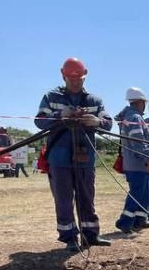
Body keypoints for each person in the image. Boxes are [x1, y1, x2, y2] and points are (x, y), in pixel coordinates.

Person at [35, 57, 113, 252]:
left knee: (87, 197)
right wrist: (60, 116)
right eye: (71, 79)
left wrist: (97, 122)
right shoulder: (51, 97)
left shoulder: (94, 101)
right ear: (64, 77)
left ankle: (90, 235)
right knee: (63, 199)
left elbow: (109, 123)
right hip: (59, 157)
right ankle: (69, 237)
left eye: (79, 79)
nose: (75, 82)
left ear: (84, 77)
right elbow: (39, 121)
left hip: (85, 158)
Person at [114, 88, 149, 233]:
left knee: (144, 193)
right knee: (137, 193)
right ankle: (125, 222)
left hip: (135, 163)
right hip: (137, 163)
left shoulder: (129, 117)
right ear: (140, 102)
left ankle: (140, 220)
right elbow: (138, 142)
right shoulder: (135, 117)